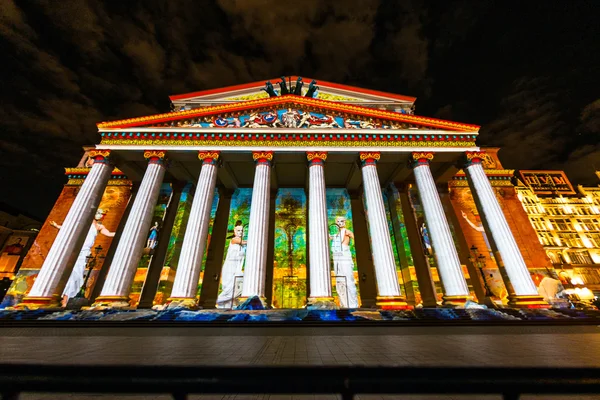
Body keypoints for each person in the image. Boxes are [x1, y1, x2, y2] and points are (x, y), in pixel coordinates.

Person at [50, 208, 115, 307]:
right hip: (75, 249)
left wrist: (123, 232)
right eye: (99, 213)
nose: (100, 215)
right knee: (69, 273)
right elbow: (68, 229)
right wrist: (56, 226)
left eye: (102, 214)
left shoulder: (99, 226)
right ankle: (62, 299)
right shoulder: (84, 223)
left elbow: (110, 234)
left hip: (84, 252)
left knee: (76, 275)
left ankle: (66, 299)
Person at [329, 216, 359, 308]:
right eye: (338, 221)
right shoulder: (336, 234)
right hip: (337, 258)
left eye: (342, 221)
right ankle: (344, 304)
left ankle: (353, 305)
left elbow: (357, 240)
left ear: (345, 222)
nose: (340, 222)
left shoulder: (347, 231)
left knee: (348, 279)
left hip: (345, 256)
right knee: (340, 281)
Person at [216, 222, 246, 308]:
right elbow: (243, 242)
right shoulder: (234, 240)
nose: (240, 232)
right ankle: (218, 300)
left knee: (238, 282)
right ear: (234, 231)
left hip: (237, 267)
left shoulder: (241, 244)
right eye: (238, 230)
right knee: (229, 286)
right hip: (230, 266)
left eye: (242, 230)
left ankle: (227, 305)